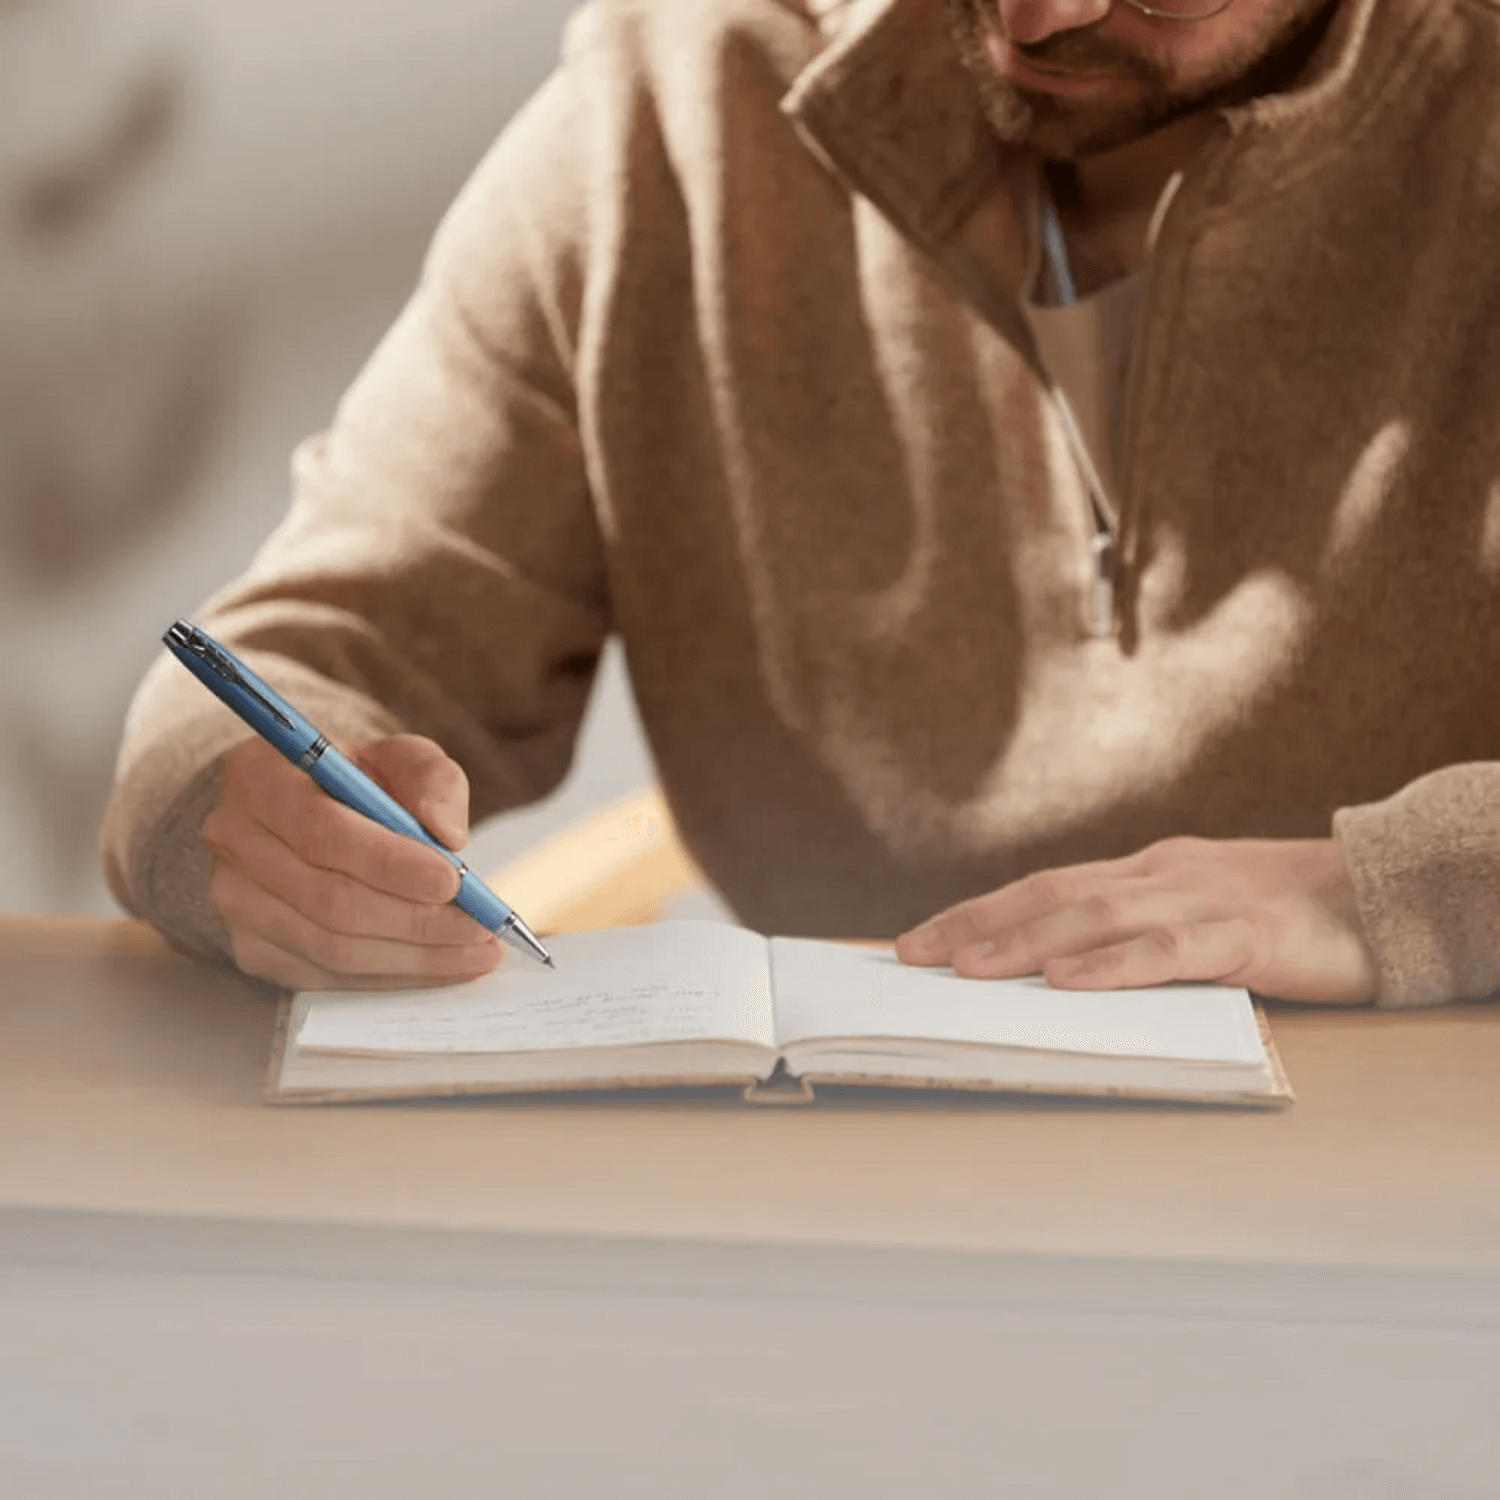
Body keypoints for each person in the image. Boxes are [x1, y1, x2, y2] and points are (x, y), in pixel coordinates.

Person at [102, 0, 1500, 1011]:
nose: (1039, 14)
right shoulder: (668, 109)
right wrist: (240, 821)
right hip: (834, 1194)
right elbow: (310, 645)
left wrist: (1386, 889)